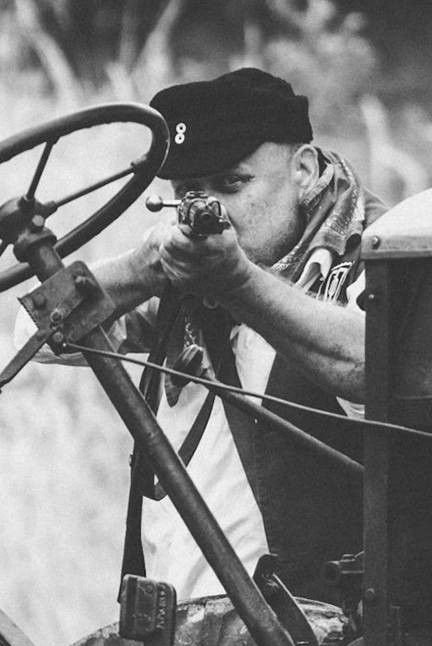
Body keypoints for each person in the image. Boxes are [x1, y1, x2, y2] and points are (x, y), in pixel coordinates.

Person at [86, 67, 388, 602]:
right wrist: (142, 268)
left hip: (325, 628)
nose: (211, 209)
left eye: (232, 184)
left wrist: (240, 283)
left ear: (303, 169)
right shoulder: (175, 271)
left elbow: (377, 367)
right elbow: (38, 333)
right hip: (185, 620)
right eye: (189, 191)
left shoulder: (378, 254)